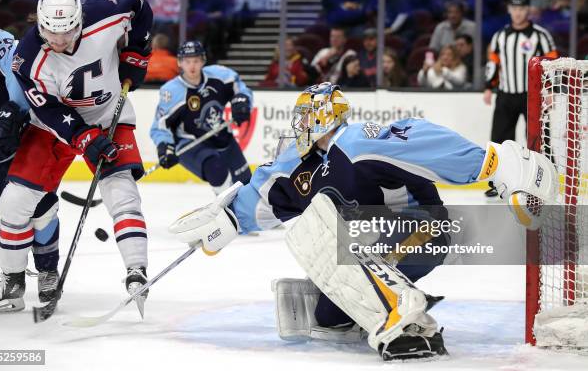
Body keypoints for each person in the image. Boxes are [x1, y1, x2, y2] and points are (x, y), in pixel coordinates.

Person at [169, 82, 558, 361]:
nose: (299, 124)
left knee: (317, 222)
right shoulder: (305, 166)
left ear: (323, 116)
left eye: (305, 116)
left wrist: (494, 164)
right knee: (328, 318)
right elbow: (272, 189)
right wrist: (228, 218)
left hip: (422, 227)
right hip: (373, 241)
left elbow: (420, 137)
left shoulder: (355, 141)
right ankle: (385, 308)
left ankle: (404, 321)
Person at [0, 0, 154, 313]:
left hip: (109, 120)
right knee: (16, 199)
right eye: (50, 33)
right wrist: (83, 137)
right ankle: (13, 281)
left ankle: (136, 270)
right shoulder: (28, 56)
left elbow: (140, 4)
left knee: (121, 191)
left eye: (68, 32)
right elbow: (47, 110)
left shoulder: (107, 10)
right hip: (53, 129)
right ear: (40, 24)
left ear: (80, 19)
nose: (58, 41)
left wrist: (137, 52)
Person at [0, 26, 59, 305]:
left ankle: (48, 271)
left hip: (18, 137)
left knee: (39, 206)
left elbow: (19, 64)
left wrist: (12, 112)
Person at [150, 40, 253, 195]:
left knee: (246, 185)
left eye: (196, 61)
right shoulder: (171, 92)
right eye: (187, 61)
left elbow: (241, 89)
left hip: (221, 136)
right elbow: (160, 126)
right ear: (179, 62)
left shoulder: (220, 75)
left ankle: (245, 214)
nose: (192, 66)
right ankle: (227, 209)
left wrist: (242, 102)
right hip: (190, 143)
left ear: (203, 61)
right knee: (217, 170)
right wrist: (164, 147)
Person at [484, 0, 557, 197]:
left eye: (521, 8)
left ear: (528, 10)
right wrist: (489, 86)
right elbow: (493, 63)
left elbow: (551, 64)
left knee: (539, 138)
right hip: (506, 94)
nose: (517, 13)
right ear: (509, 10)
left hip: (532, 95)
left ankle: (544, 180)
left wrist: (549, 91)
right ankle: (497, 183)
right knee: (499, 139)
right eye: (514, 8)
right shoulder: (500, 37)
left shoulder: (541, 35)